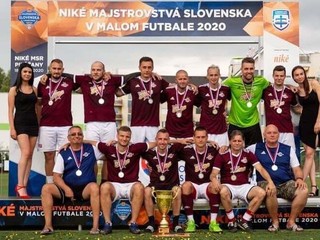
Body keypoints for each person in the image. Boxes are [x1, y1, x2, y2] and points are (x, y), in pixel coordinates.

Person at [87, 126, 156, 235]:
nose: (124, 139)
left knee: (139, 187)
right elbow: (93, 142)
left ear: (130, 137)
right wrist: (70, 143)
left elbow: (157, 143)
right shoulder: (108, 148)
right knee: (104, 186)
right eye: (122, 136)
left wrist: (177, 141)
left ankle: (133, 223)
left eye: (127, 137)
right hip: (115, 185)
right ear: (117, 136)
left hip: (131, 184)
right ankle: (107, 223)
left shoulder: (136, 148)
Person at [40, 126, 102, 235]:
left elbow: (109, 147)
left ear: (83, 136)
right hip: (67, 190)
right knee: (46, 188)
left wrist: (86, 141)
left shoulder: (91, 149)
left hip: (85, 190)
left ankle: (95, 227)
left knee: (94, 187)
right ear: (68, 138)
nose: (76, 136)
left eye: (79, 134)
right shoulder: (63, 152)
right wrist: (66, 188)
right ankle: (48, 226)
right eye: (73, 134)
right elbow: (56, 176)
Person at [211, 130, 276, 232]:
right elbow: (213, 174)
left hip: (244, 186)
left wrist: (270, 182)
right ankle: (232, 221)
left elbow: (261, 169)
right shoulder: (222, 154)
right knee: (223, 191)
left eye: (239, 141)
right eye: (234, 141)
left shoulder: (248, 154)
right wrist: (214, 180)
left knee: (261, 193)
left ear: (243, 142)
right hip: (228, 185)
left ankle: (244, 220)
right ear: (230, 141)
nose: (237, 143)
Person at [247, 124, 308, 232]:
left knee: (303, 190)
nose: (272, 135)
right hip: (265, 183)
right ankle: (275, 223)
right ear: (264, 134)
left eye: (275, 133)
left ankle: (291, 222)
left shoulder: (287, 149)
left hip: (285, 183)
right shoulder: (254, 148)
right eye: (269, 133)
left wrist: (299, 178)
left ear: (278, 135)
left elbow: (297, 168)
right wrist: (224, 148)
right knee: (270, 190)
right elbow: (237, 150)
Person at [37, 59, 76, 183]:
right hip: (46, 125)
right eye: (54, 68)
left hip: (65, 125)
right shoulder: (42, 83)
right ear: (50, 69)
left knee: (64, 156)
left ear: (63, 70)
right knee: (49, 156)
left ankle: (64, 184)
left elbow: (86, 80)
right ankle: (50, 184)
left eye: (59, 69)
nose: (56, 71)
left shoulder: (69, 82)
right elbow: (38, 104)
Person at [117, 56, 169, 143]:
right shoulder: (133, 81)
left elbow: (174, 90)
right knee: (136, 151)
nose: (147, 70)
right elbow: (118, 93)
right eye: (144, 67)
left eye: (149, 67)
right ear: (139, 68)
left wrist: (190, 85)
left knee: (153, 152)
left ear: (153, 68)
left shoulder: (158, 80)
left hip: (153, 124)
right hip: (136, 124)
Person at [179, 126, 222, 233]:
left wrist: (223, 147)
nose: (201, 139)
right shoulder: (186, 150)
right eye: (198, 137)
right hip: (193, 185)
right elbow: (166, 145)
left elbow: (226, 152)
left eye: (203, 137)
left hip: (207, 184)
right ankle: (191, 222)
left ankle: (213, 222)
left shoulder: (213, 149)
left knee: (215, 186)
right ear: (193, 138)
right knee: (185, 186)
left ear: (207, 137)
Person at [142, 129, 184, 233]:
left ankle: (175, 224)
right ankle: (151, 223)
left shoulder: (174, 150)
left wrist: (212, 142)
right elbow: (133, 147)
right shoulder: (149, 152)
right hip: (155, 185)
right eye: (160, 139)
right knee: (146, 191)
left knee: (178, 191)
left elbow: (195, 141)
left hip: (171, 184)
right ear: (156, 140)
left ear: (169, 140)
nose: (162, 142)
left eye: (165, 139)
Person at [8, 63, 39, 198]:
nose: (27, 74)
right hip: (20, 124)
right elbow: (10, 111)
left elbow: (37, 109)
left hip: (33, 124)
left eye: (30, 72)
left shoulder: (34, 89)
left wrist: (39, 125)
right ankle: (19, 185)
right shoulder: (13, 90)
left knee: (30, 155)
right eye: (25, 71)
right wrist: (12, 128)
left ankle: (24, 185)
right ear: (20, 73)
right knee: (25, 153)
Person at [223, 57, 270, 146]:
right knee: (233, 153)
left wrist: (290, 86)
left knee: (255, 153)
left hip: (253, 124)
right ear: (241, 69)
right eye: (246, 69)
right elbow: (217, 88)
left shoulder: (261, 81)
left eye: (251, 68)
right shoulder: (232, 81)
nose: (249, 71)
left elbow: (276, 86)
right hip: (235, 124)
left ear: (254, 69)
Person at [292, 65, 320, 196]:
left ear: (304, 74)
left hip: (316, 123)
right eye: (296, 75)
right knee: (310, 155)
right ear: (294, 77)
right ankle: (314, 187)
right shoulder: (297, 91)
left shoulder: (314, 83)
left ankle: (301, 183)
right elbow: (297, 108)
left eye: (301, 74)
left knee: (309, 153)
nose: (299, 76)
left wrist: (318, 121)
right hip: (304, 124)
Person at [263, 65, 299, 150]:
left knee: (290, 158)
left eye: (281, 76)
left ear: (284, 76)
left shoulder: (290, 92)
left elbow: (296, 108)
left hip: (287, 131)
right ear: (273, 76)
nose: (279, 78)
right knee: (272, 158)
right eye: (277, 76)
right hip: (271, 132)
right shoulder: (265, 90)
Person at [196, 65, 230, 146]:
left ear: (219, 75)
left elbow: (229, 100)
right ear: (207, 76)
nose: (213, 77)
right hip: (206, 131)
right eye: (211, 75)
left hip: (221, 130)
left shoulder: (226, 89)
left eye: (216, 75)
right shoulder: (201, 89)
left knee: (222, 155)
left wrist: (225, 110)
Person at [161, 70, 197, 139]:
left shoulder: (193, 92)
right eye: (180, 79)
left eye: (184, 79)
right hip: (171, 132)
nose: (182, 81)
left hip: (187, 133)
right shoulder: (168, 91)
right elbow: (156, 99)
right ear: (176, 80)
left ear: (188, 80)